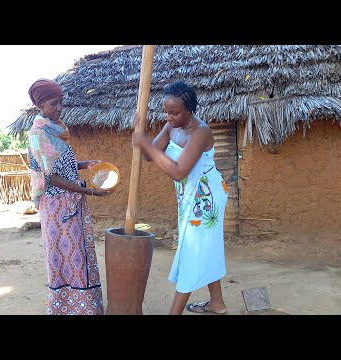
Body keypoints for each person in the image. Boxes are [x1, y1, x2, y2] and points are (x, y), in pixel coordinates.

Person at [131, 80, 229, 315]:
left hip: (206, 197)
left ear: (189, 110)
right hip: (188, 196)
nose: (169, 117)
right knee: (205, 246)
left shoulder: (201, 132)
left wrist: (146, 144)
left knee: (192, 250)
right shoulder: (170, 127)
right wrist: (141, 135)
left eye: (174, 112)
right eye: (166, 112)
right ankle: (217, 303)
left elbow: (179, 171)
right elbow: (149, 157)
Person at [27, 78, 114, 315]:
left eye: (60, 103)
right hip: (56, 207)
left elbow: (62, 166)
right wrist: (89, 191)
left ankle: (85, 308)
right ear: (40, 106)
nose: (58, 108)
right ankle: (66, 308)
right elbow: (52, 177)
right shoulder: (38, 135)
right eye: (53, 104)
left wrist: (87, 164)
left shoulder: (55, 131)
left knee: (80, 256)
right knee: (65, 259)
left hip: (70, 202)